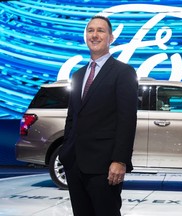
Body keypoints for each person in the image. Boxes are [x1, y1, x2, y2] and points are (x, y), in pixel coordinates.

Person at [58, 15, 138, 216]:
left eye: (100, 30)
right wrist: (66, 153)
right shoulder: (78, 75)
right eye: (90, 30)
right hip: (75, 164)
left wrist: (120, 160)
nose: (94, 35)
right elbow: (72, 118)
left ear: (111, 38)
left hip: (104, 166)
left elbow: (127, 120)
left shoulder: (123, 72)